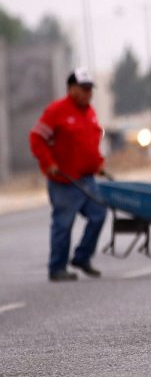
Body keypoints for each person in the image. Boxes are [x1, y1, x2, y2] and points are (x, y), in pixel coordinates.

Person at [30, 67, 107, 282]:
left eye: (90, 89)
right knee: (63, 223)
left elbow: (91, 143)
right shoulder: (56, 111)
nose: (89, 93)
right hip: (64, 180)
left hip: (87, 178)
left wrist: (98, 163)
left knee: (99, 214)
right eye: (84, 89)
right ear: (72, 89)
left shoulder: (90, 112)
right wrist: (49, 163)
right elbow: (36, 138)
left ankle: (82, 257)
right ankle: (57, 268)